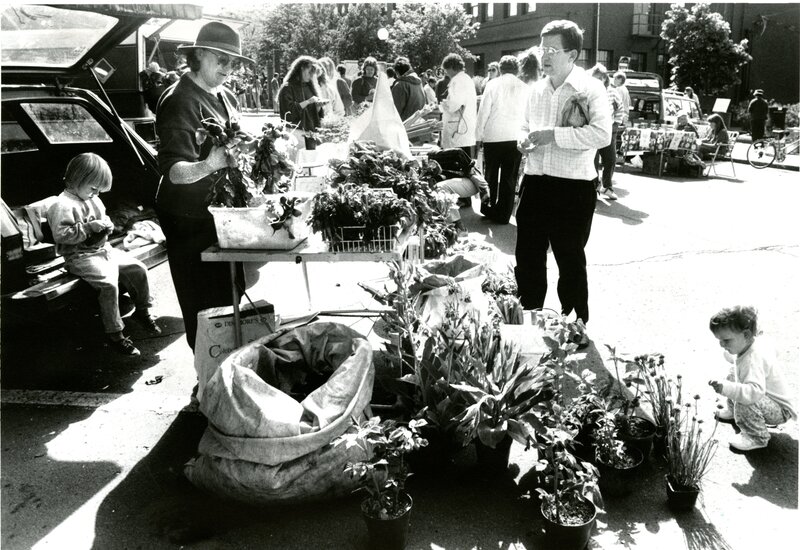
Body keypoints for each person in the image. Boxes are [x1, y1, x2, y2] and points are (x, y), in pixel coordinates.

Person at [155, 21, 249, 351]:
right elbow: (174, 172)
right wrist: (210, 164)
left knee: (227, 300)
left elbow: (237, 144)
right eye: (221, 60)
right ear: (199, 56)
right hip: (188, 218)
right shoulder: (180, 100)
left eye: (233, 62)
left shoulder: (226, 97)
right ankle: (206, 379)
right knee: (204, 308)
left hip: (218, 216)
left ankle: (225, 372)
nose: (229, 68)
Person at [515, 19, 611, 334]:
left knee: (569, 260)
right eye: (542, 49)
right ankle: (529, 318)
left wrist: (552, 135)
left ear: (572, 55)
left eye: (553, 50)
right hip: (535, 183)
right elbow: (525, 126)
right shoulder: (536, 90)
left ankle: (574, 323)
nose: (545, 56)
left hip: (573, 189)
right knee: (528, 256)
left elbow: (602, 135)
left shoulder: (591, 89)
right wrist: (523, 138)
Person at [47, 153, 160, 356]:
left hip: (103, 250)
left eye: (99, 190)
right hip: (79, 256)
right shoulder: (61, 204)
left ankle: (142, 311)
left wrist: (107, 225)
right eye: (93, 188)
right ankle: (116, 334)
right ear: (76, 180)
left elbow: (104, 217)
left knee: (138, 269)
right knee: (108, 284)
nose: (95, 194)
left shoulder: (94, 199)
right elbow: (61, 235)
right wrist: (88, 227)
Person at [708, 306, 796, 451]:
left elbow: (754, 393)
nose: (722, 344)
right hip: (767, 397)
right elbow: (770, 347)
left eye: (726, 340)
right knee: (733, 373)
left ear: (747, 335)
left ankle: (756, 437)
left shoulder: (753, 359)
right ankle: (733, 411)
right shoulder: (752, 343)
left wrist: (726, 388)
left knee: (745, 397)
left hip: (779, 410)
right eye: (719, 340)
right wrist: (733, 355)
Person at [475, 55, 528, 224]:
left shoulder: (492, 84)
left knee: (490, 174)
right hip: (515, 137)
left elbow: (483, 112)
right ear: (517, 69)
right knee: (509, 176)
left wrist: (478, 136)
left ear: (500, 68)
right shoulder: (524, 87)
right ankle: (504, 214)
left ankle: (488, 208)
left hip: (493, 135)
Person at [278, 56, 325, 152]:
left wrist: (318, 107)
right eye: (309, 72)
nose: (311, 76)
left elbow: (313, 113)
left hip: (310, 133)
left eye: (313, 73)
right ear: (302, 68)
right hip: (294, 132)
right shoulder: (287, 88)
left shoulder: (309, 87)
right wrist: (308, 102)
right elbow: (289, 111)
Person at [590, 63, 622, 200]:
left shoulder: (612, 92)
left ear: (604, 78)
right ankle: (594, 188)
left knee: (610, 159)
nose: (598, 80)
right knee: (593, 160)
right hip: (592, 130)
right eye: (595, 77)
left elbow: (620, 109)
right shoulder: (589, 90)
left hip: (609, 130)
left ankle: (607, 186)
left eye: (600, 78)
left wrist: (615, 125)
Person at [439, 53, 478, 156]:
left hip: (457, 128)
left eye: (446, 70)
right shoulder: (466, 79)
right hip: (462, 127)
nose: (446, 73)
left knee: (456, 161)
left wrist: (444, 104)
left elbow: (454, 105)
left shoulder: (457, 80)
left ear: (452, 67)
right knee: (465, 158)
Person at [390, 56, 426, 121]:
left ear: (397, 72)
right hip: (417, 122)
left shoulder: (400, 85)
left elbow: (395, 111)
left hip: (404, 126)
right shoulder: (419, 82)